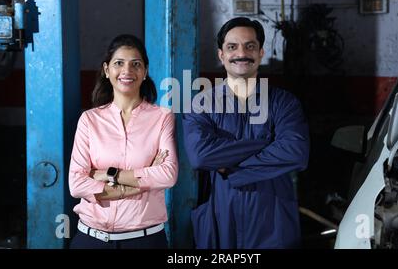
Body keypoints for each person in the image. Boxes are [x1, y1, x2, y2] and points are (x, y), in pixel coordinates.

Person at [182, 17, 310, 249]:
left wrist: (230, 168)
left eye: (250, 46)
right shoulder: (202, 103)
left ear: (261, 52)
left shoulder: (283, 103)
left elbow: (296, 152)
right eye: (232, 47)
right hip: (219, 216)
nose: (242, 53)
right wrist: (265, 143)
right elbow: (200, 156)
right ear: (221, 55)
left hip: (272, 219)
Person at [68, 34, 178, 249]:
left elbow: (168, 174)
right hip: (91, 240)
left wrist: (108, 174)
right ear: (107, 70)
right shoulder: (90, 119)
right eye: (119, 63)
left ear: (145, 72)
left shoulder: (162, 117)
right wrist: (137, 184)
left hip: (144, 241)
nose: (127, 71)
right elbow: (76, 184)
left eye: (135, 64)